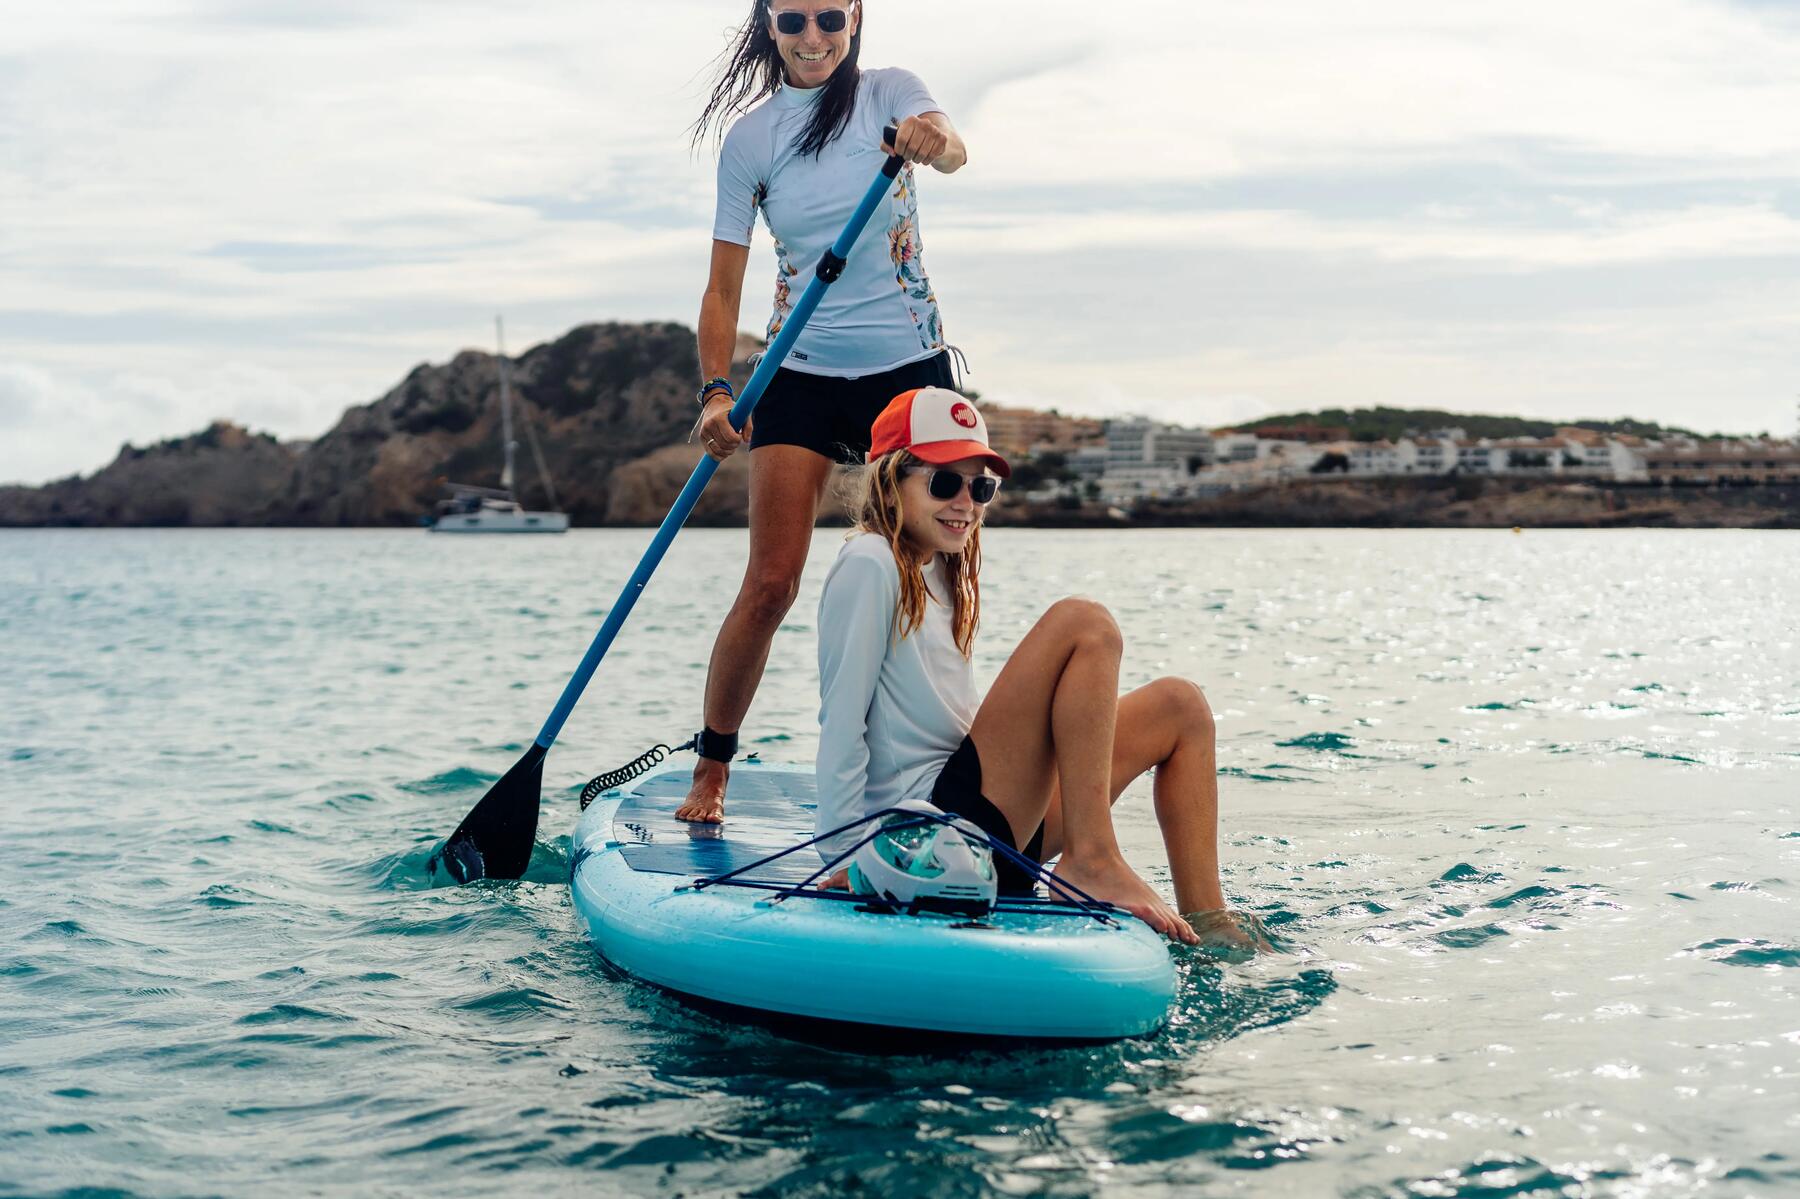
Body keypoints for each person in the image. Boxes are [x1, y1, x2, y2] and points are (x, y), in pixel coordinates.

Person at [676, 0, 968, 824]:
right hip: (797, 368)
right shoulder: (753, 140)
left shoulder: (888, 95)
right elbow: (721, 287)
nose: (814, 39)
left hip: (908, 371)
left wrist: (929, 140)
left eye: (830, 19)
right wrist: (718, 392)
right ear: (769, 25)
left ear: (856, 17)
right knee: (770, 583)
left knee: (937, 576)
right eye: (794, 19)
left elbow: (954, 148)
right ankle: (712, 771)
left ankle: (941, 765)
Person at [814, 387, 1243, 944]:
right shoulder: (870, 561)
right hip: (930, 829)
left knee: (1180, 706)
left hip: (987, 829)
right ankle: (1091, 859)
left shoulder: (942, 570)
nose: (966, 502)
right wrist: (851, 856)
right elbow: (842, 722)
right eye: (945, 481)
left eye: (981, 486)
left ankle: (1210, 924)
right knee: (1084, 623)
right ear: (891, 480)